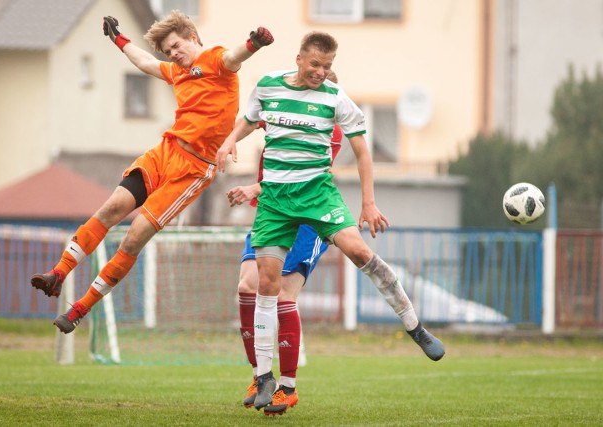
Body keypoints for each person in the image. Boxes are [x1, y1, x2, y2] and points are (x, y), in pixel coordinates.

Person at [216, 31, 444, 413]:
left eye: (328, 66)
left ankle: (414, 326)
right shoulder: (269, 86)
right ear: (299, 59)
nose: (321, 72)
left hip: (317, 198)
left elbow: (363, 151)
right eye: (316, 64)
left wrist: (368, 203)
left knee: (358, 251)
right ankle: (267, 378)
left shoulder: (335, 102)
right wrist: (228, 142)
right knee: (262, 285)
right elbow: (249, 119)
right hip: (274, 202)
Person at [30, 11, 273, 334]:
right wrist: (118, 40)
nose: (172, 54)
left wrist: (253, 43)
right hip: (165, 151)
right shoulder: (177, 71)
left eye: (175, 46)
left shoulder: (216, 60)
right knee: (112, 207)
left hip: (194, 169)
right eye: (168, 51)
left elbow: (234, 56)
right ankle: (58, 274)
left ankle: (79, 309)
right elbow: (145, 63)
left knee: (134, 236)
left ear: (192, 37)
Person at [230, 73, 342, 416]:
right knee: (247, 288)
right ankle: (259, 376)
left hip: (306, 219)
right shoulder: (284, 109)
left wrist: (253, 188)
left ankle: (288, 387)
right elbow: (251, 116)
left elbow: (296, 180)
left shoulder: (328, 131)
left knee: (280, 296)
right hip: (271, 214)